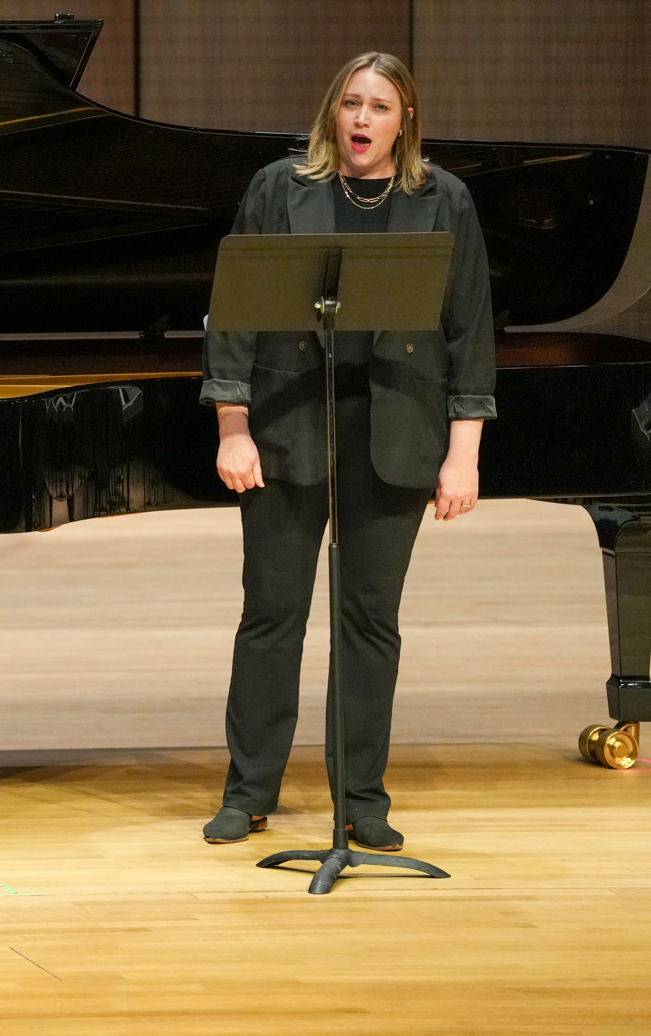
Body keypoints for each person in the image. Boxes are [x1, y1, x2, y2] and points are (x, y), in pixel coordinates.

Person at [199, 51, 496, 852]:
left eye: (381, 107)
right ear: (333, 113)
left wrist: (462, 452)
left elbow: (470, 330)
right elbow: (231, 320)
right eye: (352, 104)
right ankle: (249, 788)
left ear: (406, 121)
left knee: (370, 619)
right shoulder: (278, 188)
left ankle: (361, 798)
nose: (363, 119)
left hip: (397, 433)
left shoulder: (444, 201)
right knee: (272, 612)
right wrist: (234, 426)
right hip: (291, 426)